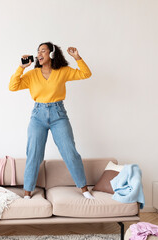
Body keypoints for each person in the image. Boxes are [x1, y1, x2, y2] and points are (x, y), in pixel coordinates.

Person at [9, 42, 94, 199]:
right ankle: (27, 192)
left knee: (70, 152)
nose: (39, 54)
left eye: (43, 51)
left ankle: (84, 189)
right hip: (38, 116)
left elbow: (85, 74)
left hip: (58, 115)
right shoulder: (32, 74)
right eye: (38, 51)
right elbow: (13, 86)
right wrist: (21, 68)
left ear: (52, 54)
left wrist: (77, 58)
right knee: (34, 153)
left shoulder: (62, 71)